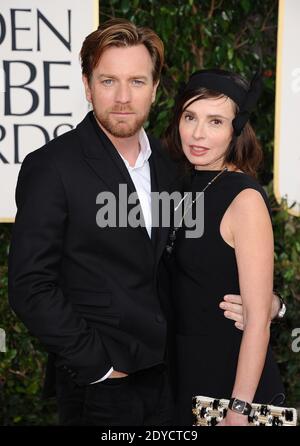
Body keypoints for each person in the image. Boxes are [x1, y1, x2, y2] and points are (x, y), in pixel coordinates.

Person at [8, 19, 282, 426]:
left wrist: (269, 307)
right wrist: (99, 365)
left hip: (175, 383)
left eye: (136, 81)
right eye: (108, 81)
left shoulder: (175, 168)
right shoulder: (52, 167)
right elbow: (30, 285)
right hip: (101, 388)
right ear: (87, 85)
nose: (122, 97)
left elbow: (192, 266)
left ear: (155, 90)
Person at [164, 69, 285, 426]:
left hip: (229, 385)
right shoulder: (181, 184)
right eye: (190, 117)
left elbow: (257, 322)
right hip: (182, 375)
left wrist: (240, 408)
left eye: (215, 121)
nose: (198, 133)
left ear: (236, 129)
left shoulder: (243, 197)